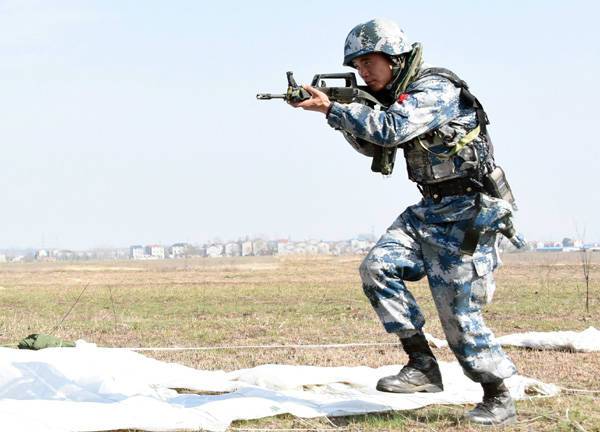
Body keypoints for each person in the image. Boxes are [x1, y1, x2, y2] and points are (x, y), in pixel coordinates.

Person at [291, 18, 522, 426]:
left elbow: (393, 129)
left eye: (369, 62)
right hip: (428, 211)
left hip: (469, 212)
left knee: (458, 311)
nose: (363, 72)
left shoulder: (435, 88)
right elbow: (373, 144)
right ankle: (422, 365)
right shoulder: (396, 97)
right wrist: (340, 113)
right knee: (377, 268)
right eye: (357, 65)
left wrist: (335, 108)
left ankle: (497, 392)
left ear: (395, 58)